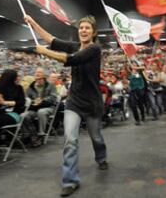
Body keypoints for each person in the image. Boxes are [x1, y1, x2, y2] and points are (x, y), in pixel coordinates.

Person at [25, 14, 107, 197]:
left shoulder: (94, 49)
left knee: (96, 138)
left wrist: (44, 51)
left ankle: (101, 157)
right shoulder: (74, 45)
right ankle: (70, 181)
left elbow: (70, 60)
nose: (83, 30)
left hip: (92, 102)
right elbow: (51, 40)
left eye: (87, 28)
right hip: (74, 102)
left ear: (93, 32)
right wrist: (33, 22)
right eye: (81, 28)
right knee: (70, 140)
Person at [24, 67, 58, 147]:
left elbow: (53, 97)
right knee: (24, 116)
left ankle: (41, 135)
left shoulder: (51, 85)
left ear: (44, 76)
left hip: (48, 107)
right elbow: (26, 98)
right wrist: (33, 102)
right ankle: (31, 135)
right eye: (36, 74)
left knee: (41, 112)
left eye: (40, 73)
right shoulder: (30, 87)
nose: (38, 75)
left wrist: (42, 100)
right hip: (35, 108)